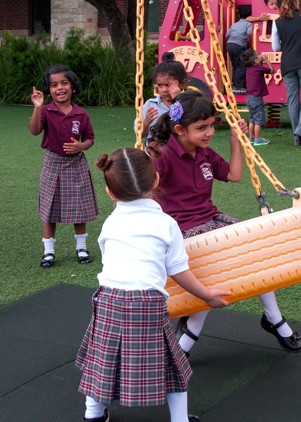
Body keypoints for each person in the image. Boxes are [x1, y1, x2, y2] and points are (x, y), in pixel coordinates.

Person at [75, 147, 231, 422]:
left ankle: (93, 414)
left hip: (108, 299)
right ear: (157, 180)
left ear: (110, 192)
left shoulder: (109, 224)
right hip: (147, 303)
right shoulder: (166, 224)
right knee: (173, 368)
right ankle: (179, 420)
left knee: (101, 362)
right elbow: (179, 271)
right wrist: (207, 295)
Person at [150, 90, 301, 357]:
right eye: (201, 128)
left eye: (212, 125)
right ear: (179, 129)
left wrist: (236, 140)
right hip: (181, 229)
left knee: (254, 243)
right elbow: (144, 193)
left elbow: (233, 175)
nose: (209, 132)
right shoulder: (163, 156)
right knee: (218, 264)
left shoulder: (204, 153)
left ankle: (271, 315)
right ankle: (191, 331)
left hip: (210, 219)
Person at [29, 64, 99, 268]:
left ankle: (81, 247)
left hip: (76, 164)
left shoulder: (82, 114)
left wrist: (80, 146)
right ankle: (48, 251)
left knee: (79, 207)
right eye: (53, 85)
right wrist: (37, 106)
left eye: (64, 83)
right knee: (50, 208)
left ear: (73, 87)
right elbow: (34, 131)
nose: (59, 87)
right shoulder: (46, 111)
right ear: (48, 90)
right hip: (53, 163)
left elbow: (90, 138)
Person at [272, 0, 301, 146]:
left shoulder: (277, 22)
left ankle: (297, 137)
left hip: (287, 64)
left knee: (292, 99)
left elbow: (275, 47)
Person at [139, 52, 188, 145]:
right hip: (155, 152)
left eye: (168, 85)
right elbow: (140, 135)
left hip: (179, 152)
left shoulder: (189, 103)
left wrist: (178, 99)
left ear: (183, 83)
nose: (164, 90)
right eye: (160, 85)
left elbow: (190, 128)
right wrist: (146, 122)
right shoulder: (151, 105)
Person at [241, 48, 275, 145]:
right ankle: (257, 139)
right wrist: (266, 60)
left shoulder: (249, 68)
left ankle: (251, 137)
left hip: (249, 98)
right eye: (259, 54)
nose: (261, 55)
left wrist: (261, 60)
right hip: (257, 98)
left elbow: (258, 67)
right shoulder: (259, 68)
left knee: (252, 119)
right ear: (256, 61)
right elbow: (272, 70)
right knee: (258, 120)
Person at [226, 5, 252, 93]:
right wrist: (251, 43)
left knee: (235, 66)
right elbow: (249, 34)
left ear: (239, 15)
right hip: (238, 45)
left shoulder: (234, 24)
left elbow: (227, 35)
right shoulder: (248, 24)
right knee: (241, 66)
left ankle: (234, 85)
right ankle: (237, 87)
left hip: (229, 44)